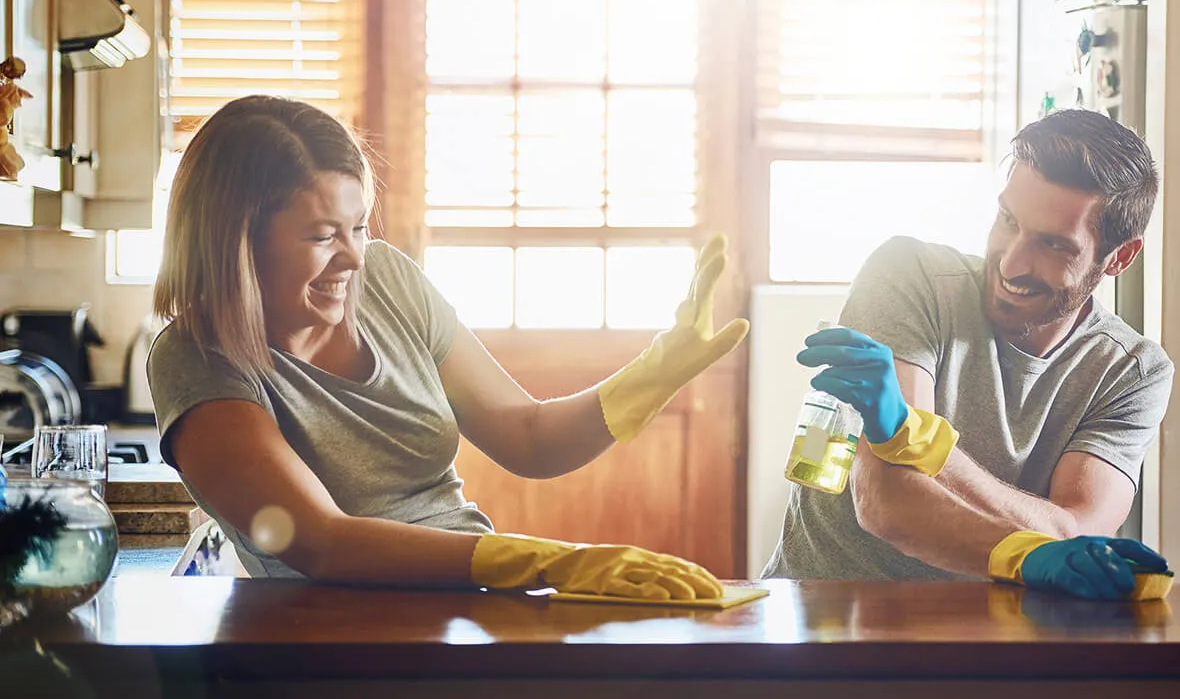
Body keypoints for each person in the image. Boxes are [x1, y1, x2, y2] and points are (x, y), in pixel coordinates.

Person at [148, 95, 748, 600]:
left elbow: (528, 437)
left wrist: (655, 373)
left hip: (472, 604)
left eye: (359, 227)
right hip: (333, 645)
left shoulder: (386, 279)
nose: (354, 257)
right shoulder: (197, 358)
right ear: (236, 243)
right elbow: (321, 541)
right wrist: (548, 562)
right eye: (322, 235)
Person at [762, 109, 1174, 601]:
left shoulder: (1130, 371)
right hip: (825, 625)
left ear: (1120, 258)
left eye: (1051, 245)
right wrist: (1029, 552)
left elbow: (1074, 535)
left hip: (998, 644)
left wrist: (916, 439)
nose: (1012, 262)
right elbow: (887, 503)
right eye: (1008, 220)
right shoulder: (910, 278)